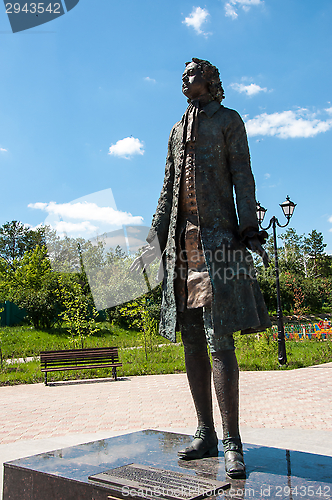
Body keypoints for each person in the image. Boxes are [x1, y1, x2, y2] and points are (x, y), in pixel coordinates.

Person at [131, 58, 271, 479]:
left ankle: (232, 441)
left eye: (192, 72)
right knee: (191, 337)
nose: (184, 77)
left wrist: (249, 227)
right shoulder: (175, 130)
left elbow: (242, 175)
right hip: (182, 245)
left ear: (210, 80)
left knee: (219, 337)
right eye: (183, 73)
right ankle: (205, 432)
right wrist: (154, 241)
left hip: (219, 243)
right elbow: (165, 188)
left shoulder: (228, 120)